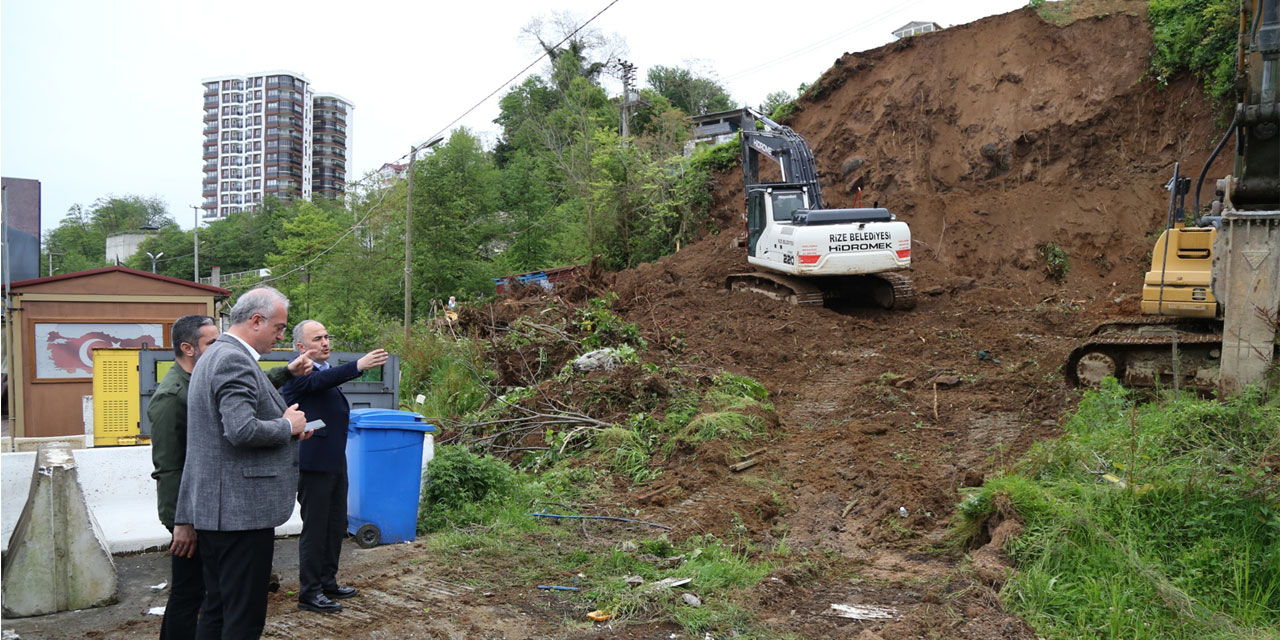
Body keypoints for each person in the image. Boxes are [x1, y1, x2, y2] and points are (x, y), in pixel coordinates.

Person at [149, 314, 315, 638]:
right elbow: (175, 464)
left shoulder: (203, 370)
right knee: (198, 599)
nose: (217, 346)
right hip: (220, 511)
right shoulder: (174, 394)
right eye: (210, 342)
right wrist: (181, 521)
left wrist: (287, 428)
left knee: (216, 605)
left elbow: (248, 391)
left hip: (211, 508)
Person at [280, 320, 388, 614]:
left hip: (334, 459)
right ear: (301, 347)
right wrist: (358, 365)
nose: (326, 342)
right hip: (313, 462)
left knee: (335, 524)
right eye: (318, 338)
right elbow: (318, 385)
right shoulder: (299, 372)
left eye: (327, 336)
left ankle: (327, 581)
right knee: (316, 529)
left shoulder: (323, 371)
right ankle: (310, 592)